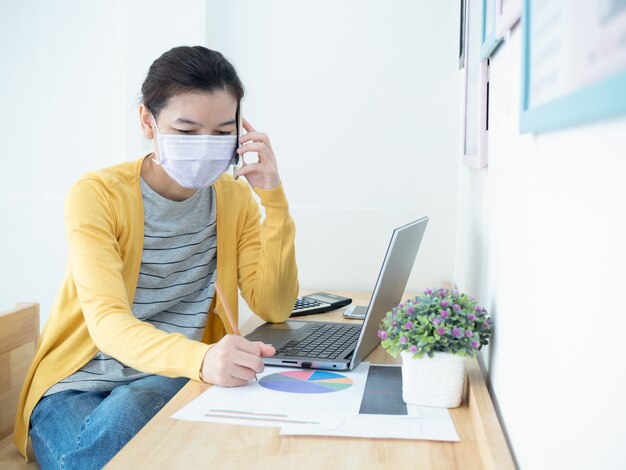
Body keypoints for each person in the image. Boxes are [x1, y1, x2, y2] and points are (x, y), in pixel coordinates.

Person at [13, 45, 299, 469]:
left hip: (172, 379)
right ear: (148, 121)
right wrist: (201, 358)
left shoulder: (234, 197)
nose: (206, 146)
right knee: (121, 431)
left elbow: (274, 306)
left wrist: (273, 198)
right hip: (79, 385)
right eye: (186, 132)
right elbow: (108, 322)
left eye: (223, 132)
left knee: (145, 419)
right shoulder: (97, 195)